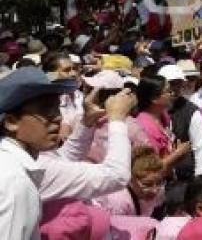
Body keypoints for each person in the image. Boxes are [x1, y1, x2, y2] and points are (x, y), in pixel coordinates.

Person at [0, 68, 87, 237]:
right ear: (11, 122)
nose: (58, 118)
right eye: (46, 110)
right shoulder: (16, 182)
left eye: (57, 108)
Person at [158, 64, 202, 179]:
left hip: (182, 180)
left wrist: (200, 182)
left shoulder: (191, 112)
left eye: (178, 83)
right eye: (171, 83)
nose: (174, 88)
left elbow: (201, 149)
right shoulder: (151, 110)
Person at [134, 75, 192, 175]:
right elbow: (150, 169)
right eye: (168, 91)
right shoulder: (144, 127)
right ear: (154, 99)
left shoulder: (164, 117)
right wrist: (178, 154)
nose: (172, 94)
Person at [92, 146, 164, 216]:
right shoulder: (119, 201)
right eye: (147, 184)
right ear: (131, 179)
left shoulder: (151, 194)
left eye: (159, 182)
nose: (155, 190)